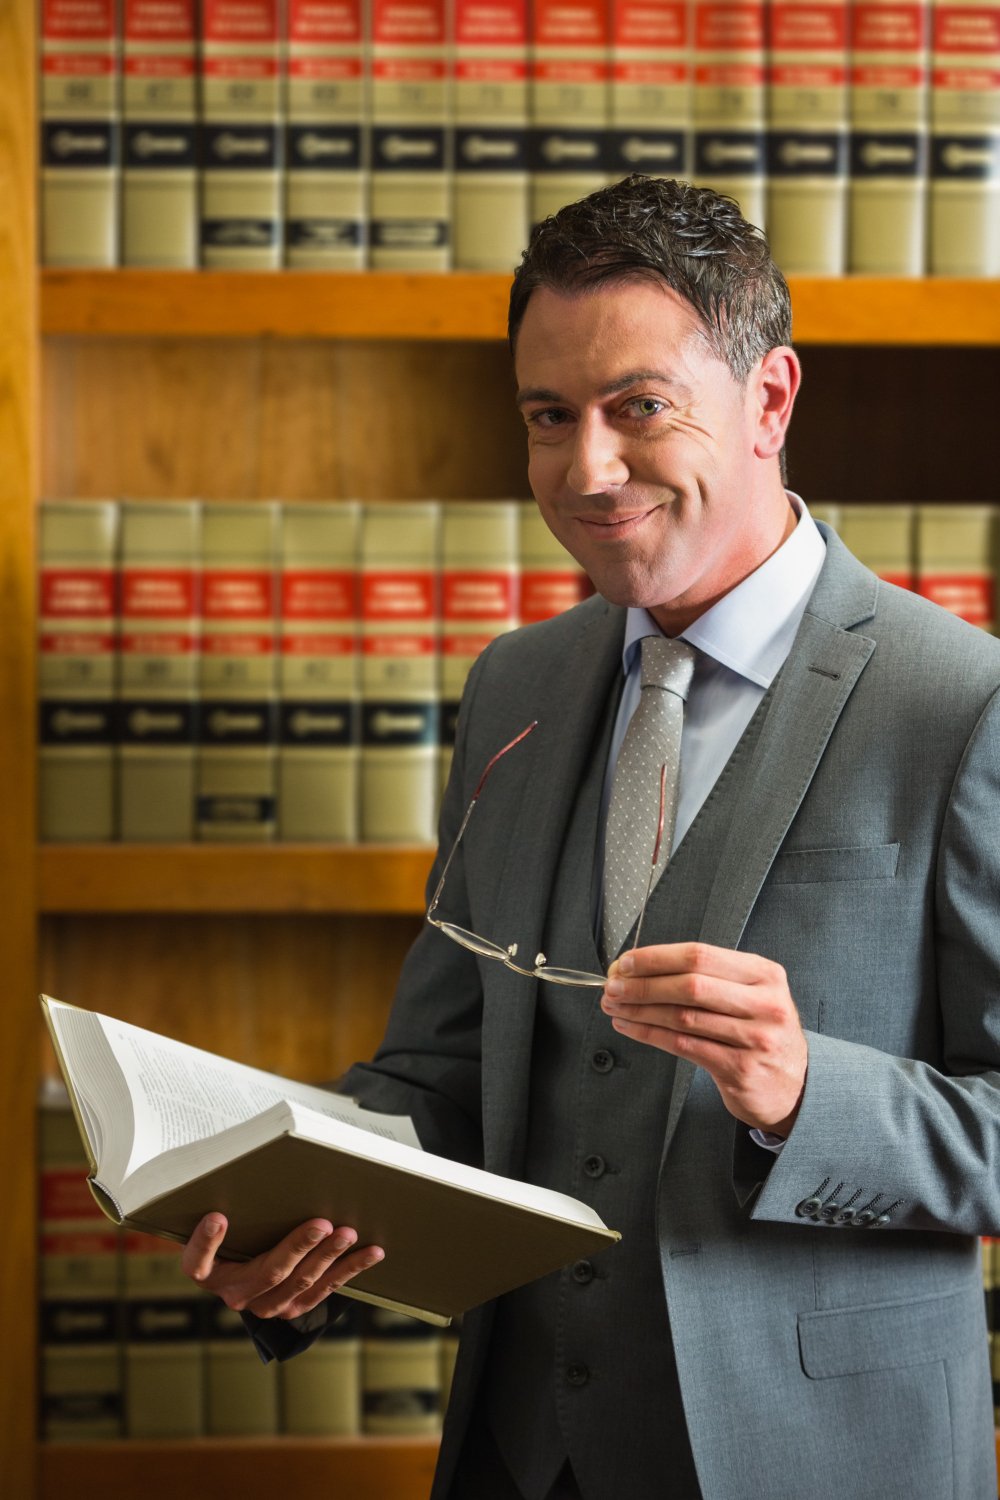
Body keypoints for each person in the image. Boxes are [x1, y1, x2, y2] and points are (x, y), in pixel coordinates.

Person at [181, 175, 1000, 1499]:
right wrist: (296, 1223)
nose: (586, 470)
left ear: (771, 401)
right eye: (549, 418)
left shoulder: (963, 703)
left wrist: (806, 1094)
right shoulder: (514, 684)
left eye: (639, 409)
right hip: (523, 1458)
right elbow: (444, 1073)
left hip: (822, 1462)